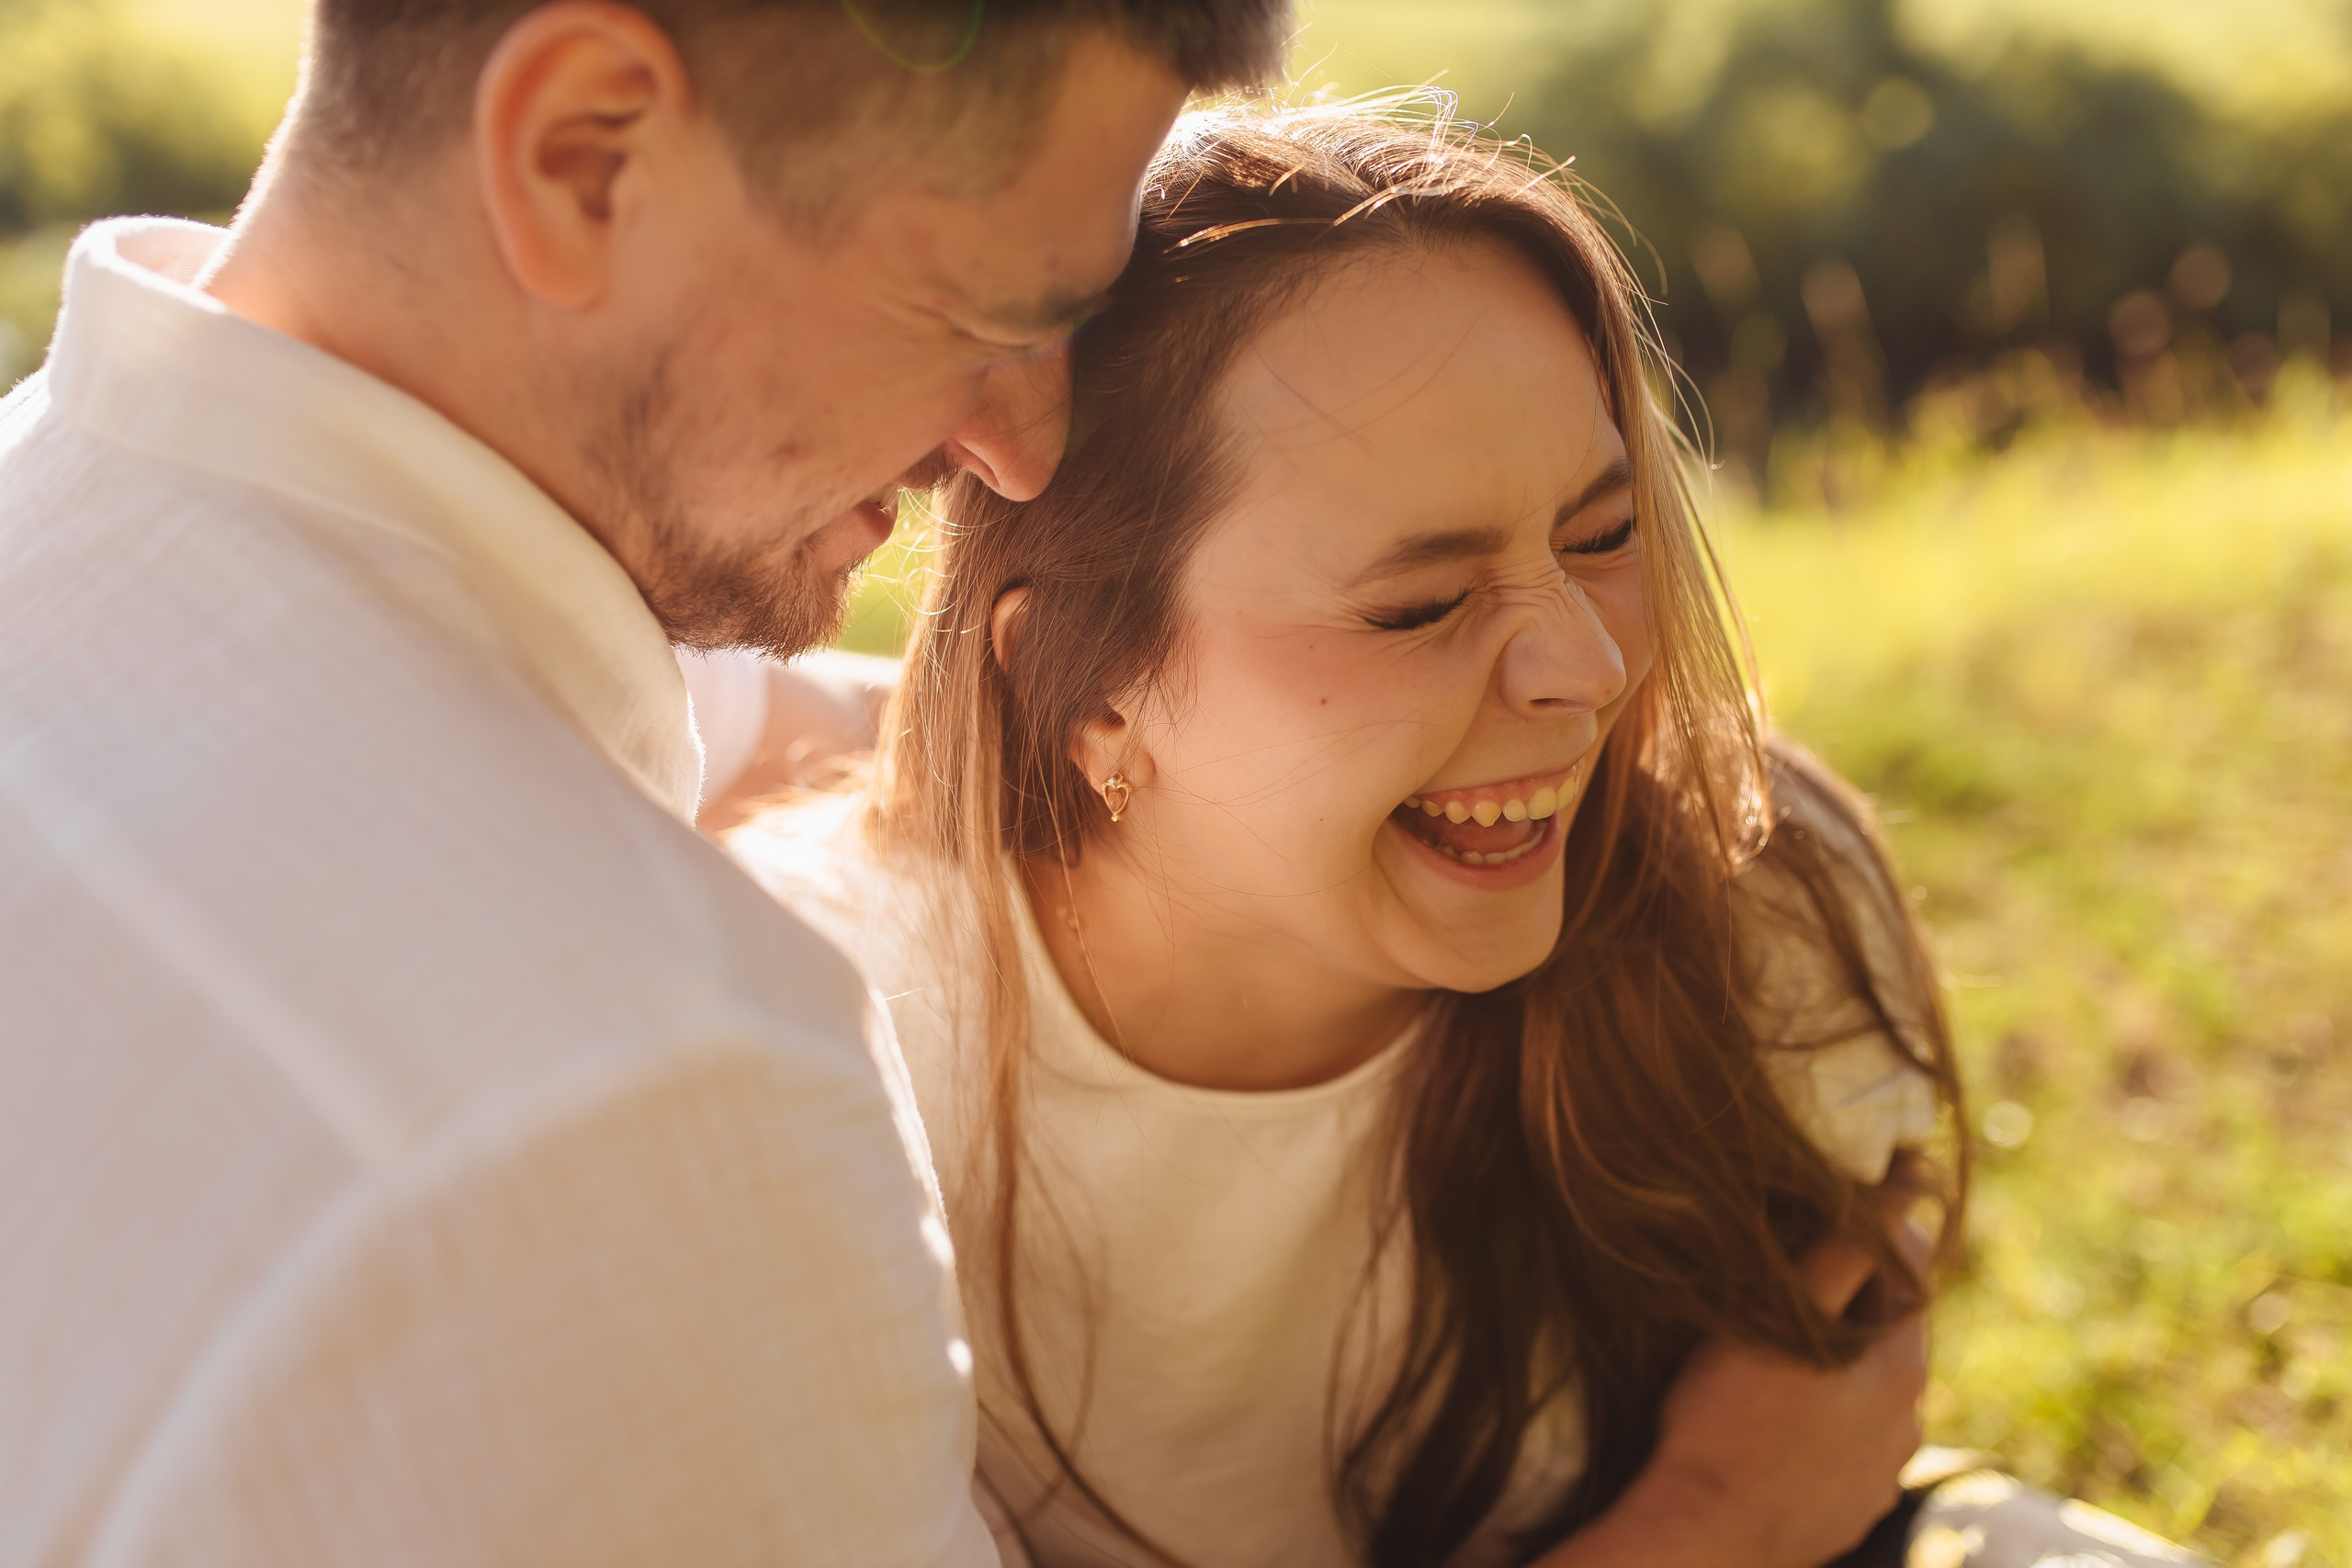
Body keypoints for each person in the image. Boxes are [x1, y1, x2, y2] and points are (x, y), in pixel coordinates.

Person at [718, 107, 2208, 1568]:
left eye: (1602, 535)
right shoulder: (814, 1074)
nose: (1586, 666)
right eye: (1418, 605)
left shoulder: (1742, 893)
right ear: (1087, 691)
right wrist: (1714, 1527)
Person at [0, 3, 1288, 1562]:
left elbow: (698, 713)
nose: (1020, 451)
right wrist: (1683, 1505)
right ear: (583, 157)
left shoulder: (69, 515)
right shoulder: (647, 1098)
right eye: (984, 316)